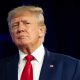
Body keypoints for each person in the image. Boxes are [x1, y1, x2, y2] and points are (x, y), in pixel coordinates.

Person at [0, 5, 80, 80]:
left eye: (26, 23)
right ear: (10, 33)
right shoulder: (2, 67)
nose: (20, 29)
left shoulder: (71, 66)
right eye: (15, 25)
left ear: (41, 31)